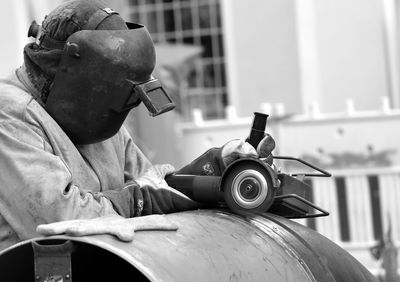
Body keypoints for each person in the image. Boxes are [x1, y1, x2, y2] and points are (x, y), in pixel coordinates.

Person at [0, 0, 275, 250]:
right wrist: (134, 200)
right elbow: (60, 220)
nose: (118, 111)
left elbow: (148, 187)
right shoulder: (10, 114)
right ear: (80, 79)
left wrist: (213, 169)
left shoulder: (98, 120)